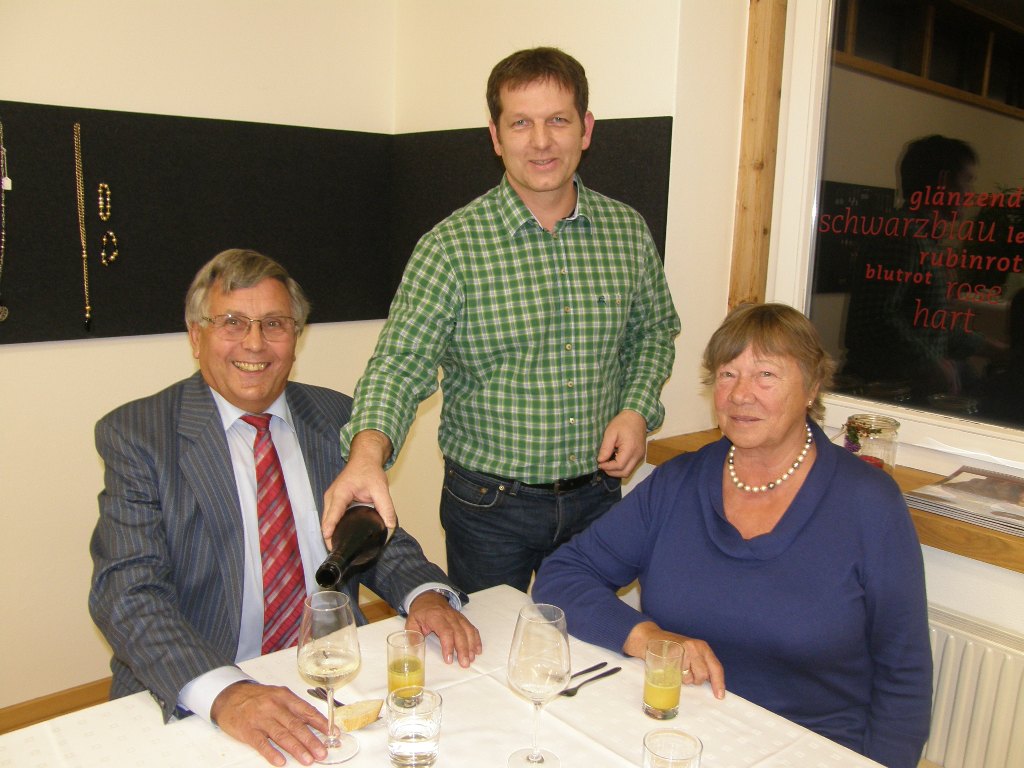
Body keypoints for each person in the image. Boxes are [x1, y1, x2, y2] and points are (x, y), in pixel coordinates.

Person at [89, 249, 482, 768]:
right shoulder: (140, 436)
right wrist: (227, 693)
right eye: (232, 322)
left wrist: (425, 594)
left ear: (296, 338)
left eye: (274, 324)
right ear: (195, 335)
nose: (254, 343)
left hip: (330, 673)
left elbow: (371, 535)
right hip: (201, 684)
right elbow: (127, 593)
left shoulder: (336, 415)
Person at [322, 47, 680, 593]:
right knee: (488, 642)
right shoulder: (450, 247)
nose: (541, 142)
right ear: (495, 136)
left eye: (557, 120)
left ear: (585, 129)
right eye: (520, 123)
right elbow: (400, 365)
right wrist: (366, 456)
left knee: (585, 636)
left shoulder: (627, 232)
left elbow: (653, 332)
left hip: (597, 498)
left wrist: (635, 409)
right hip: (488, 509)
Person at [532, 303, 932, 768]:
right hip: (678, 735)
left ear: (812, 387)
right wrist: (646, 636)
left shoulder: (868, 503)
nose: (741, 394)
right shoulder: (678, 483)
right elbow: (562, 575)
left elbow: (904, 676)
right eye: (727, 374)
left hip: (810, 750)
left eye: (766, 375)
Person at [842, 134, 998, 400]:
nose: (971, 194)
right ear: (943, 182)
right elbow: (877, 320)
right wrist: (931, 362)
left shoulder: (924, 239)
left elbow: (932, 326)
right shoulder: (901, 235)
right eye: (967, 180)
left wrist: (994, 349)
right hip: (890, 394)